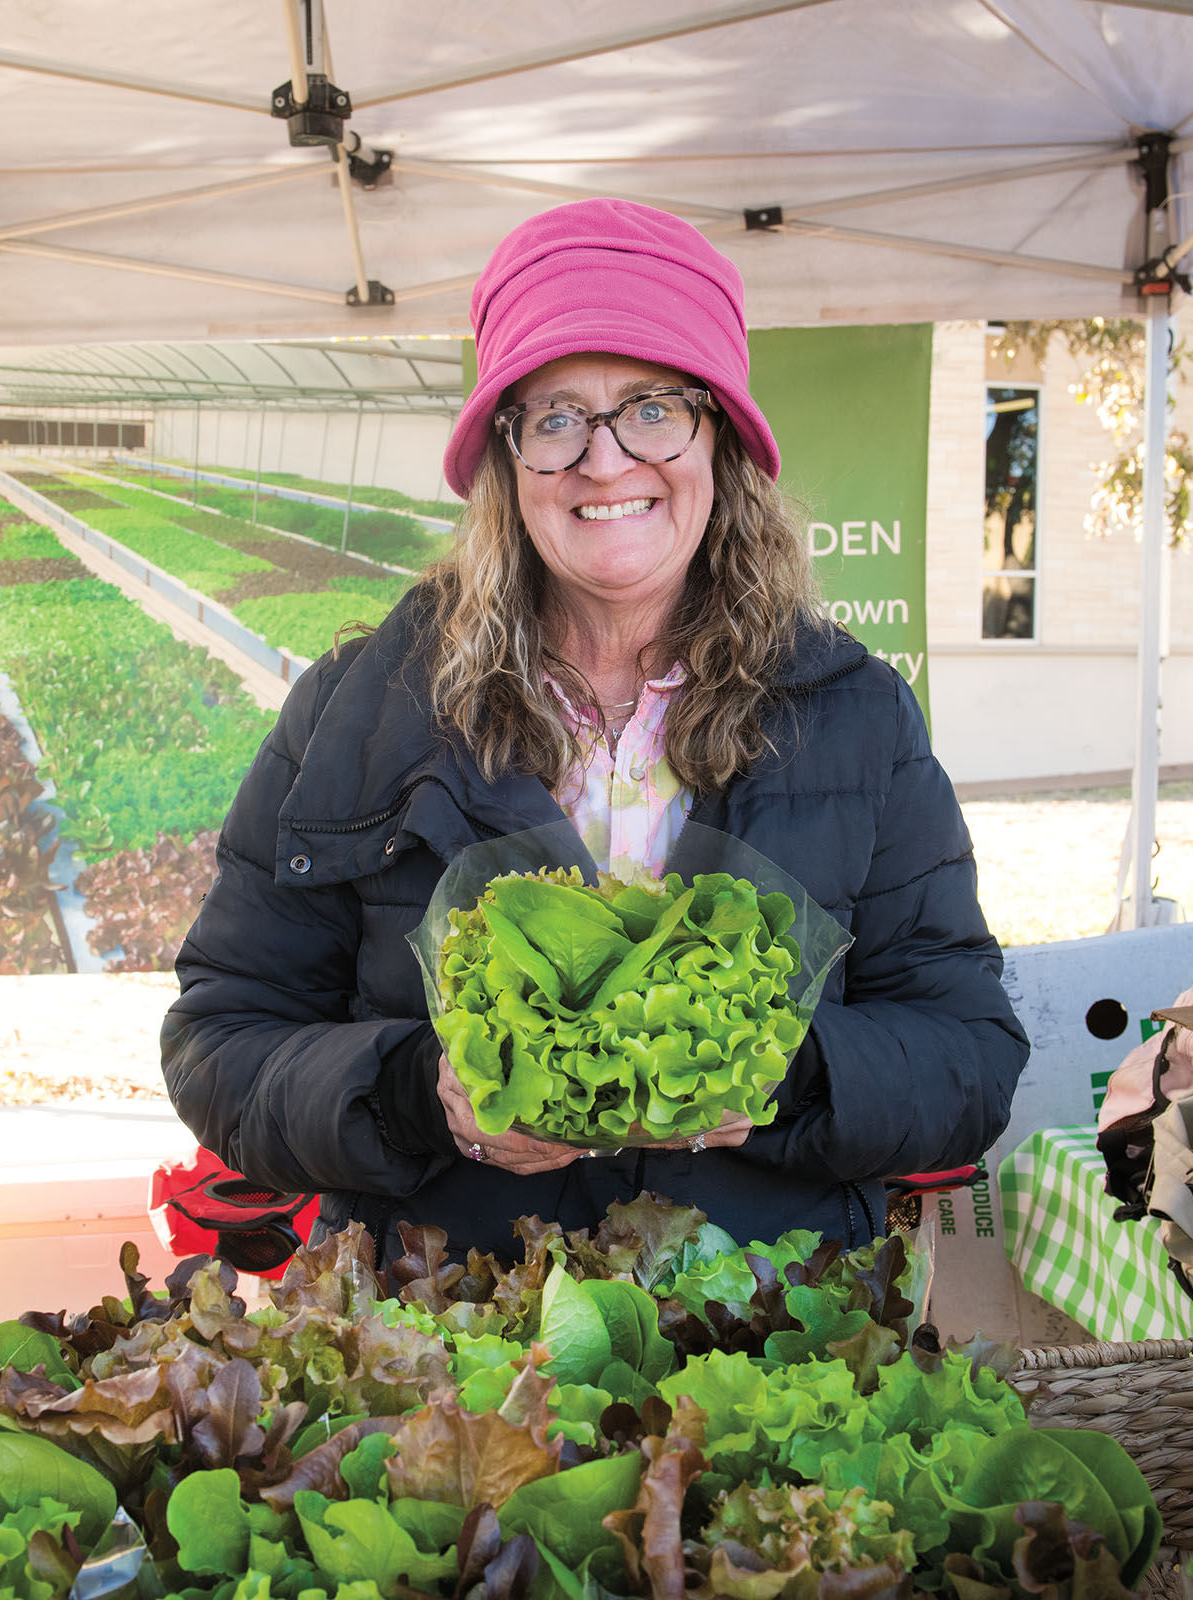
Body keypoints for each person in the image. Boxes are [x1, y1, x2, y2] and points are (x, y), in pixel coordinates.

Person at [162, 199, 1028, 1260]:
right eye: (556, 416)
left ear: (720, 435)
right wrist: (416, 1095)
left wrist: (789, 1073)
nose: (606, 461)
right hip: (457, 1349)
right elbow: (221, 1041)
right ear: (504, 456)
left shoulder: (851, 713)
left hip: (760, 1343)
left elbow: (971, 1053)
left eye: (653, 407)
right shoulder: (360, 708)